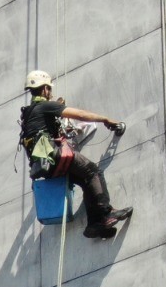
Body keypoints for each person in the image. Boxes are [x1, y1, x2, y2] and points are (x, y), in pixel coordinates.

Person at [19, 69, 133, 239]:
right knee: (92, 171)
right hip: (55, 156)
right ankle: (106, 213)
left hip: (44, 167)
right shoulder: (46, 106)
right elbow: (80, 114)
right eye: (49, 89)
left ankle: (95, 224)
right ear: (44, 89)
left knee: (85, 180)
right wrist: (105, 120)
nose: (50, 93)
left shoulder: (27, 113)